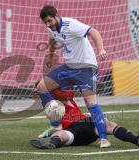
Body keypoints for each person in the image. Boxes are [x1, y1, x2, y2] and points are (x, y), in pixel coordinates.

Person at [37, 5, 110, 147]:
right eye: (45, 22)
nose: (48, 24)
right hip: (70, 66)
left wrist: (101, 49)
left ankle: (103, 138)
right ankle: (56, 123)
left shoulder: (71, 24)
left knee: (91, 103)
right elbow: (53, 40)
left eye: (50, 21)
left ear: (56, 15)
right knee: (42, 87)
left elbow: (93, 31)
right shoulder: (50, 29)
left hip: (86, 67)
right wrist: (51, 56)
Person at [30, 89, 139, 149]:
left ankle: (137, 140)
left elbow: (68, 91)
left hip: (85, 123)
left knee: (107, 123)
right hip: (71, 131)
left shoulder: (63, 93)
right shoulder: (50, 104)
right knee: (60, 134)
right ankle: (51, 144)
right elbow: (55, 122)